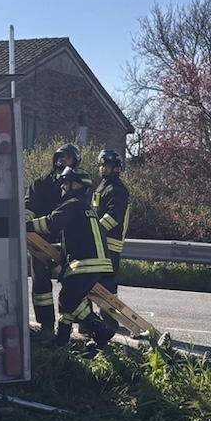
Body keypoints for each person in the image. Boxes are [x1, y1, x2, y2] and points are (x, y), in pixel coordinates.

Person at [27, 166, 115, 349]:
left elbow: (50, 223)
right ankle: (61, 340)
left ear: (78, 186)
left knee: (68, 299)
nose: (63, 187)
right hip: (101, 264)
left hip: (85, 265)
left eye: (67, 183)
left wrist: (23, 225)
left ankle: (101, 329)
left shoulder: (72, 204)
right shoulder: (86, 208)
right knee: (68, 301)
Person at [25, 142, 81, 333]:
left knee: (74, 284)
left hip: (68, 244)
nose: (63, 161)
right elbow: (28, 207)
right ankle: (46, 323)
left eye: (68, 158)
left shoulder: (76, 186)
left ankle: (78, 324)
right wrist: (25, 227)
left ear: (75, 162)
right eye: (60, 157)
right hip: (39, 242)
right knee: (40, 283)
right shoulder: (40, 184)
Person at [93, 149, 130, 305]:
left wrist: (93, 232)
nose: (103, 169)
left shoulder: (117, 189)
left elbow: (113, 217)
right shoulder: (103, 186)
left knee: (107, 284)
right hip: (99, 241)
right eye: (102, 166)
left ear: (116, 168)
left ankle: (110, 320)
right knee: (94, 282)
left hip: (110, 244)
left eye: (107, 166)